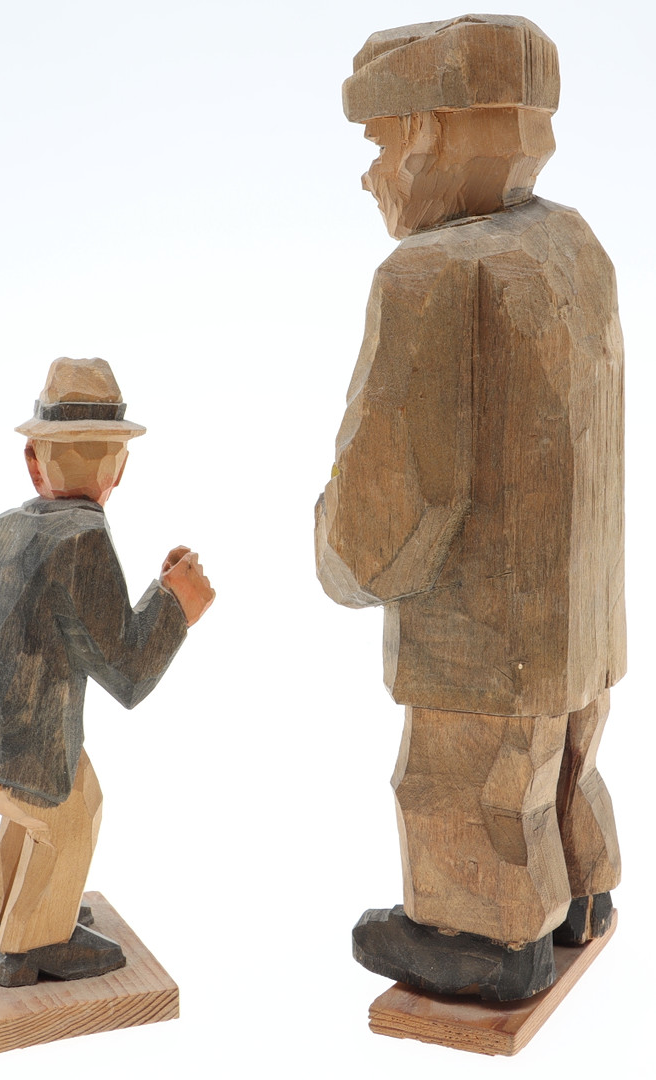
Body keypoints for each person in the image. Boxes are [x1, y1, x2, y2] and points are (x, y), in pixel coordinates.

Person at [315, 15, 624, 1000]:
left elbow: (399, 490)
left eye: (379, 143)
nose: (370, 175)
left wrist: (338, 553)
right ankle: (580, 894)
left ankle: (486, 937)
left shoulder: (431, 274)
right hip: (577, 614)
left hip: (478, 630)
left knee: (458, 783)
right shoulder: (570, 242)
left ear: (430, 134)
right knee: (561, 761)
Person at [0, 356, 214, 987]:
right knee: (73, 814)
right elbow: (128, 673)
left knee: (41, 804)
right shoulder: (83, 539)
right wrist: (178, 607)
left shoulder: (7, 526)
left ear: (33, 461)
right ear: (121, 467)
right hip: (19, 753)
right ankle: (32, 942)